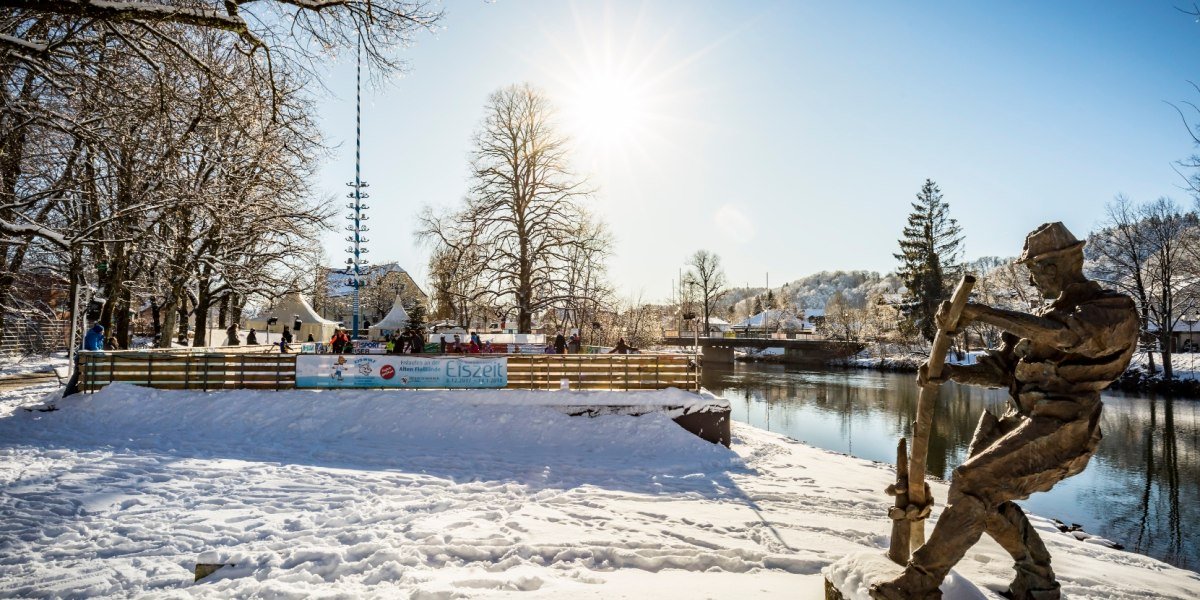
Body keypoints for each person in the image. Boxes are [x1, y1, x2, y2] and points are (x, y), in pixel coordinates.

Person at [871, 223, 1139, 600]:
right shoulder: (1040, 320)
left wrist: (981, 313)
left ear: (1053, 266)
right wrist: (950, 371)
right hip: (1022, 420)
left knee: (971, 484)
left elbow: (1067, 336)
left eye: (1033, 270)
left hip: (1065, 426)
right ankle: (1037, 581)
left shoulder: (1111, 310)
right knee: (978, 496)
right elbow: (1002, 370)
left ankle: (919, 584)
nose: (1031, 280)